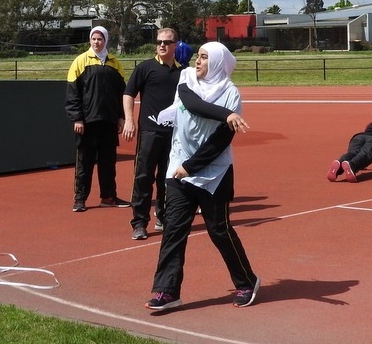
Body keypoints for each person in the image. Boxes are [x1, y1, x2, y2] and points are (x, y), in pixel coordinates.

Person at [145, 41, 260, 311]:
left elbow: (220, 141)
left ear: (218, 63)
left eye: (205, 57)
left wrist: (192, 166)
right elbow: (192, 104)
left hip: (213, 174)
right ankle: (167, 291)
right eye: (198, 56)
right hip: (178, 168)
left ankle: (247, 281)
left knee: (219, 230)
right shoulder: (186, 78)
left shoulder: (231, 93)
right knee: (173, 230)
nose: (198, 61)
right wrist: (226, 115)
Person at [122, 28, 183, 241]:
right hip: (149, 132)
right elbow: (128, 93)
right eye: (159, 42)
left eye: (167, 42)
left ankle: (163, 217)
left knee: (168, 178)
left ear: (175, 45)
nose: (162, 45)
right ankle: (139, 222)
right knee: (143, 178)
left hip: (173, 135)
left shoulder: (182, 73)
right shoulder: (145, 68)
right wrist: (129, 120)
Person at [65, 26, 129, 212]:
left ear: (106, 40)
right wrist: (77, 118)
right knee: (84, 163)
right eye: (94, 39)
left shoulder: (115, 63)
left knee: (108, 163)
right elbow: (72, 93)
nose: (96, 42)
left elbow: (121, 94)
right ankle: (80, 199)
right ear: (90, 41)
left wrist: (121, 117)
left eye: (100, 39)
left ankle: (108, 197)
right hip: (87, 123)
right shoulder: (80, 61)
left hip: (108, 122)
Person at [327, 110, 372, 183]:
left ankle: (339, 164)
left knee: (353, 153)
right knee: (365, 154)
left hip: (358, 137)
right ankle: (352, 165)